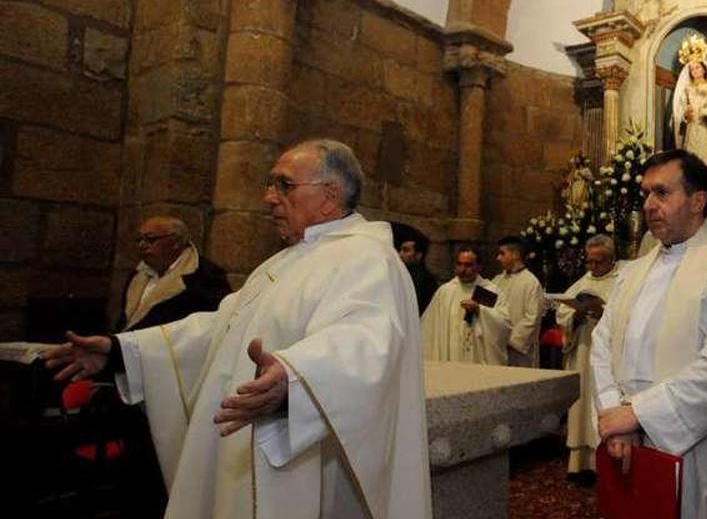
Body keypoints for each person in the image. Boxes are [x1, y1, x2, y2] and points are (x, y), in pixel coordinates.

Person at [44, 139, 432, 519]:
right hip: (241, 445)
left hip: (296, 466)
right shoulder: (286, 262)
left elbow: (367, 341)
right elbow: (221, 330)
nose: (268, 197)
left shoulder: (366, 256)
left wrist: (295, 380)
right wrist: (119, 351)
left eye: (284, 184)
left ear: (330, 195)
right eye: (269, 184)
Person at [591, 149, 707, 519]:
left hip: (706, 449)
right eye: (645, 193)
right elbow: (601, 344)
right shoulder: (632, 272)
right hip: (626, 442)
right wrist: (616, 417)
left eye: (662, 193)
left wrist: (639, 414)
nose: (648, 204)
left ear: (698, 201)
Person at [554, 234, 623, 480]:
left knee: (601, 402)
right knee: (582, 405)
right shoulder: (583, 282)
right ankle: (580, 463)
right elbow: (562, 313)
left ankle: (601, 463)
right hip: (584, 351)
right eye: (589, 262)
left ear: (611, 258)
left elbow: (628, 315)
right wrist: (577, 316)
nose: (593, 267)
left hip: (608, 357)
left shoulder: (623, 280)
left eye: (599, 261)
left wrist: (603, 312)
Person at [120, 215, 231, 331]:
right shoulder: (138, 275)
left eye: (151, 240)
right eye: (139, 240)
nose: (142, 245)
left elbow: (212, 324)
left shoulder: (205, 276)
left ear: (176, 242)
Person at [421, 247, 512, 365]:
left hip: (478, 356)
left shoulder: (491, 291)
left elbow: (504, 324)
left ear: (479, 267)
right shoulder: (445, 291)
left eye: (468, 265)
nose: (462, 269)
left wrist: (480, 310)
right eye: (459, 264)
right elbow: (430, 327)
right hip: (451, 354)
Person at [492, 236, 545, 368]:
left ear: (515, 254)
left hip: (518, 350)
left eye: (502, 254)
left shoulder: (531, 283)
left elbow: (532, 318)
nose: (498, 258)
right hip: (496, 347)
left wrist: (509, 340)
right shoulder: (496, 281)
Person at [671, 57, 707, 165]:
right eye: (692, 69)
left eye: (697, 67)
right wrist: (686, 114)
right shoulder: (687, 88)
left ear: (704, 69)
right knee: (692, 163)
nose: (695, 71)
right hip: (693, 129)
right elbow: (681, 110)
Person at [392, 222, 440, 315]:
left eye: (406, 250)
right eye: (400, 250)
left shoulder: (426, 281)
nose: (400, 254)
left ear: (418, 255)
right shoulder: (400, 273)